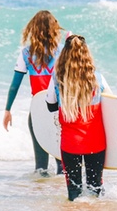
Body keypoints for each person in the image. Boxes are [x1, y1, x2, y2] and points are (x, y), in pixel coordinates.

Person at [3, 10, 70, 176]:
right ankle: (60, 199)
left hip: (37, 111)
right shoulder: (63, 51)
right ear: (54, 29)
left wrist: (7, 110)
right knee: (62, 165)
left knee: (41, 167)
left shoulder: (26, 53)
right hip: (59, 110)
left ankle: (40, 196)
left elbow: (14, 85)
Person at [45, 35, 111, 201]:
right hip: (96, 142)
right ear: (87, 54)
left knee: (73, 193)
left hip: (70, 144)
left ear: (64, 54)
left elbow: (50, 105)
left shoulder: (57, 80)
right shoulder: (98, 78)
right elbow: (113, 106)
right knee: (95, 188)